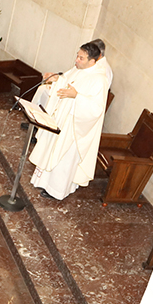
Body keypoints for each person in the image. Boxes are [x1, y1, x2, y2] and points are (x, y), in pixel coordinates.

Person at [28, 41, 111, 200]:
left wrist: (77, 97)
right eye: (77, 56)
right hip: (61, 119)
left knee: (64, 160)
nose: (76, 60)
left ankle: (57, 190)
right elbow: (65, 81)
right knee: (51, 151)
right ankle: (43, 182)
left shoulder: (99, 80)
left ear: (92, 61)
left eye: (81, 58)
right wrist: (56, 79)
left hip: (74, 127)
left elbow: (96, 109)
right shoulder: (77, 69)